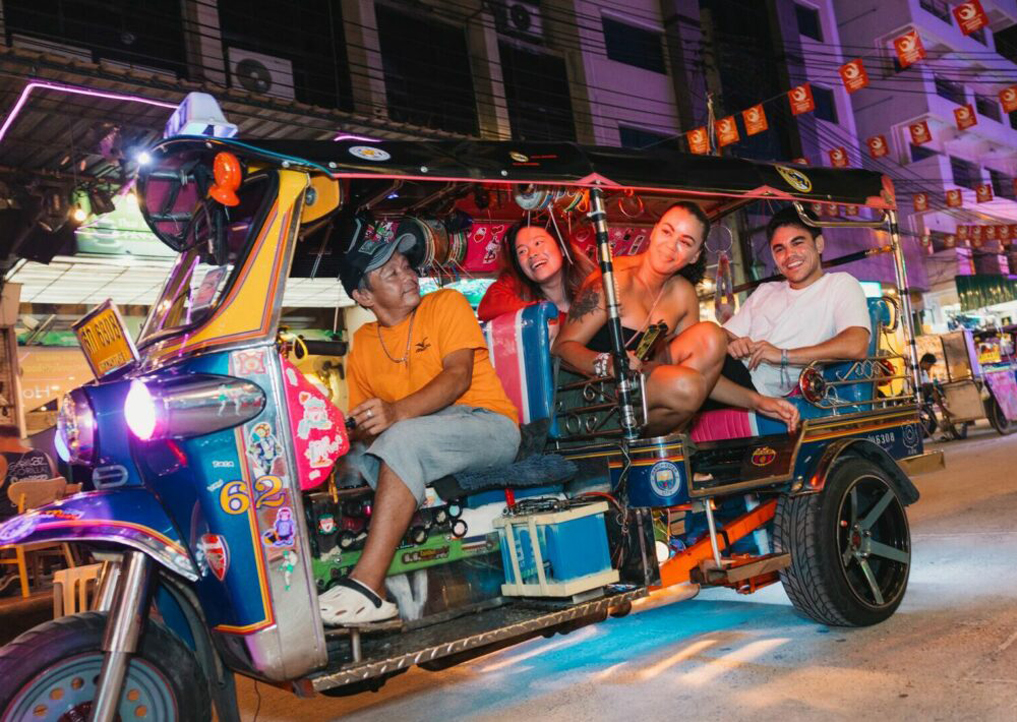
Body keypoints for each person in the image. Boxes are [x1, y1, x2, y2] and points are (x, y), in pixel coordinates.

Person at [318, 228, 521, 625]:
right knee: (346, 458)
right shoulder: (363, 343)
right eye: (390, 274)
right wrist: (350, 432)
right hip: (425, 437)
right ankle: (328, 565)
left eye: (405, 265)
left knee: (403, 437)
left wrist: (393, 414)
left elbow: (458, 377)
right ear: (363, 297)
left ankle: (368, 585)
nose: (407, 275)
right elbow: (367, 421)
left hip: (488, 425)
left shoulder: (446, 303)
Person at [554, 202, 797, 435]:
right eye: (667, 232)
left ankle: (662, 437)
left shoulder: (682, 294)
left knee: (711, 335)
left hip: (642, 395)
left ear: (694, 255)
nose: (671, 245)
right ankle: (644, 444)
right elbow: (562, 348)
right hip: (591, 394)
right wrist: (607, 363)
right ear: (654, 231)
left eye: (685, 241)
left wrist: (760, 401)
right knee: (687, 385)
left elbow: (703, 378)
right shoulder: (612, 280)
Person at [723, 206, 870, 398]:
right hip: (733, 370)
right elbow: (722, 335)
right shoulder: (765, 291)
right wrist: (736, 343)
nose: (789, 255)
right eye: (780, 249)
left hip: (759, 386)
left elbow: (856, 345)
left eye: (797, 243)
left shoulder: (840, 284)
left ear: (818, 244)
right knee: (699, 343)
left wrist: (783, 355)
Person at [476, 220, 596, 324]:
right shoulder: (515, 286)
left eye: (538, 243)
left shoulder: (596, 286)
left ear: (562, 249)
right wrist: (550, 314)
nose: (532, 253)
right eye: (522, 251)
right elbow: (488, 307)